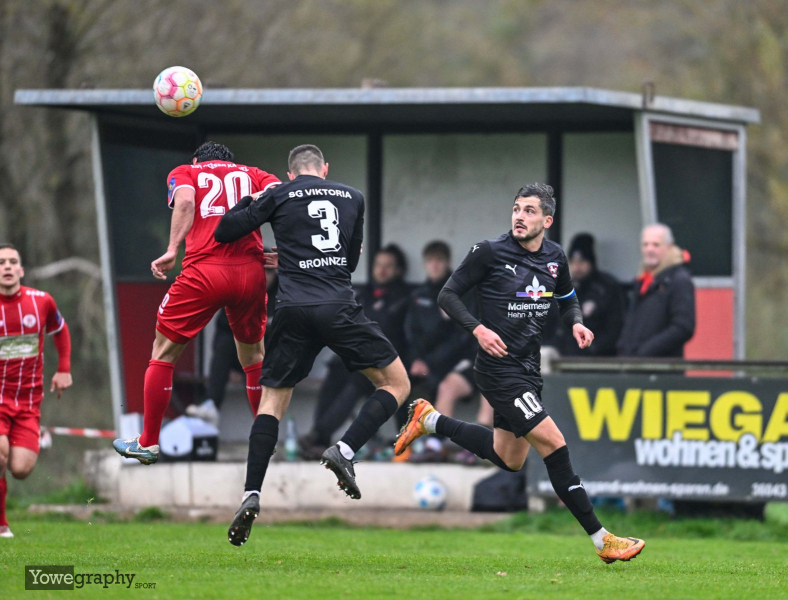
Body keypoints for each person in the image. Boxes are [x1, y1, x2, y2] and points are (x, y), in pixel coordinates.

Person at [394, 183, 646, 564]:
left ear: (547, 220)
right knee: (554, 444)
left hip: (528, 370)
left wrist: (575, 322)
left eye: (529, 211)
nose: (519, 216)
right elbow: (448, 294)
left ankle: (430, 420)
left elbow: (567, 299)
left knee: (508, 457)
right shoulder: (489, 252)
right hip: (498, 370)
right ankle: (602, 539)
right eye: (516, 208)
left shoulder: (555, 257)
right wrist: (478, 329)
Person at [215, 145, 410, 546]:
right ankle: (345, 449)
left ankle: (251, 492)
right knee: (396, 384)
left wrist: (253, 203)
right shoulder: (352, 197)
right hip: (338, 306)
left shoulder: (278, 194)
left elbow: (225, 231)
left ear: (290, 174)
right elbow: (349, 263)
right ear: (324, 169)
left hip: (292, 311)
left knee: (273, 401)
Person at [113, 142, 280, 464]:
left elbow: (186, 202)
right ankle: (265, 435)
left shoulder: (185, 171)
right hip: (250, 274)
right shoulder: (257, 175)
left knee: (163, 353)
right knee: (254, 357)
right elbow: (286, 202)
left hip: (204, 272)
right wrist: (285, 252)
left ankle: (147, 442)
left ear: (197, 160)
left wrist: (173, 248)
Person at [299, 244, 411, 459]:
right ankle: (319, 440)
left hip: (385, 363)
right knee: (333, 372)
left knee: (357, 382)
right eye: (379, 265)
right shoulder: (362, 293)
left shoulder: (404, 297)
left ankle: (318, 435)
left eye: (388, 266)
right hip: (354, 356)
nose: (382, 270)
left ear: (399, 270)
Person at [0, 244, 72, 539]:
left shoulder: (41, 302)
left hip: (28, 402)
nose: (6, 266)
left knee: (20, 468)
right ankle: (2, 523)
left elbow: (61, 330)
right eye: (1, 262)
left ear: (21, 270)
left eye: (12, 262)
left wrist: (64, 368)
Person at [187, 255, 279, 426]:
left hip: (271, 358)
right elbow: (223, 328)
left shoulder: (283, 294)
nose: (265, 277)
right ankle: (211, 405)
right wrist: (229, 366)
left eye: (269, 272)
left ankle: (264, 428)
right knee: (225, 343)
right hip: (243, 356)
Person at [617, 223, 695, 357]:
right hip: (635, 365)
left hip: (661, 369)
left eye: (656, 245)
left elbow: (683, 327)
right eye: (645, 244)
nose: (649, 249)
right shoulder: (643, 279)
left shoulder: (678, 279)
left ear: (669, 247)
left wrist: (645, 351)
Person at [554, 233, 625, 357]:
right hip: (566, 358)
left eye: (582, 261)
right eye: (573, 262)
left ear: (591, 262)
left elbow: (615, 327)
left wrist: (594, 348)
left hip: (599, 359)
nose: (577, 267)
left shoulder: (606, 287)